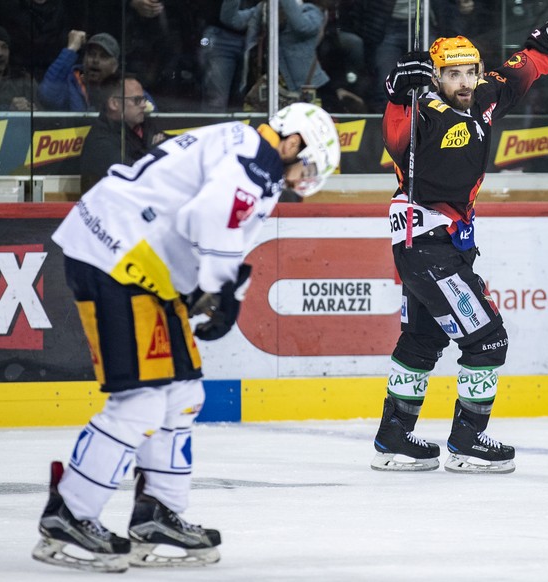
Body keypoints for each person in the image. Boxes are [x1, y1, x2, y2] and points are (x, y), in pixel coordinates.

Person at [31, 102, 340, 573]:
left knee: (182, 392)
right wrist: (221, 285)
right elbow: (211, 216)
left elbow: (194, 215)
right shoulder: (258, 158)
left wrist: (218, 285)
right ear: (293, 142)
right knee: (141, 402)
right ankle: (70, 514)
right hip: (116, 258)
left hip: (134, 261)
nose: (305, 181)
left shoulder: (244, 143)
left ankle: (158, 511)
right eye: (310, 166)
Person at [371, 13, 548, 473]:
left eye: (470, 71)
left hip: (435, 244)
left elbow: (517, 73)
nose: (465, 81)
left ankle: (394, 439)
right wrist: (394, 94)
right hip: (425, 242)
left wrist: (542, 47)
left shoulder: (482, 94)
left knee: (423, 337)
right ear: (435, 77)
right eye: (452, 74)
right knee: (488, 341)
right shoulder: (422, 114)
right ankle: (467, 442)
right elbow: (394, 138)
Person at [79, 75, 166, 192]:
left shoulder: (146, 125)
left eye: (143, 99)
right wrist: (155, 153)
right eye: (137, 100)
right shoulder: (100, 142)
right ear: (114, 104)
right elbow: (135, 176)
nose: (144, 105)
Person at [37, 30, 125, 111]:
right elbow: (47, 95)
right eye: (91, 54)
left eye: (104, 56)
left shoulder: (123, 90)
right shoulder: (71, 83)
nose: (95, 60)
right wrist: (71, 49)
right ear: (84, 59)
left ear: (115, 66)